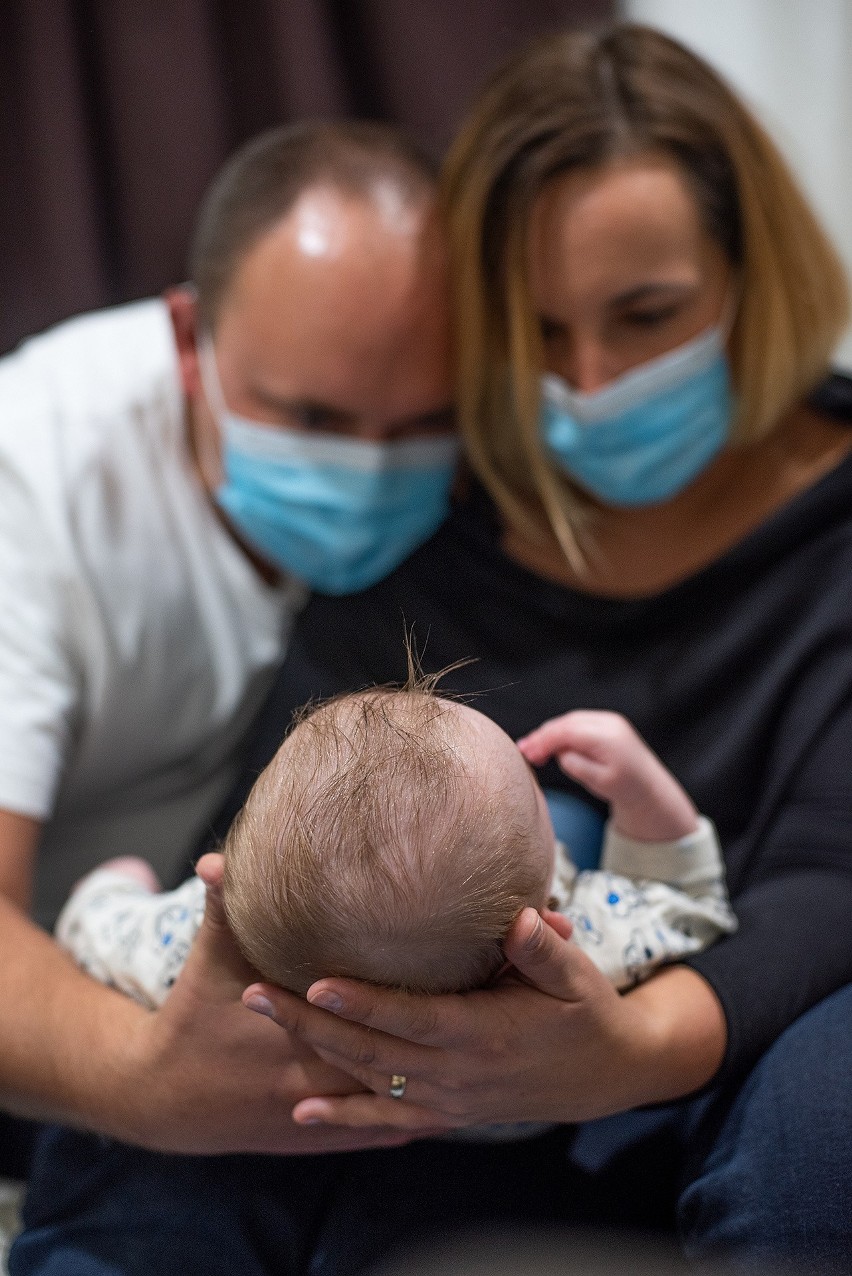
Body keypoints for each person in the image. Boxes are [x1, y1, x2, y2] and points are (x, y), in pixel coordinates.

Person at [11, 20, 852, 1276]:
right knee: (168, 1113)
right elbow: (284, 830)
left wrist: (632, 1048)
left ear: (754, 272)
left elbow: (812, 879)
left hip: (725, 1027)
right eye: (534, 331)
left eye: (646, 313)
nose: (588, 378)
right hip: (386, 1067)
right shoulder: (432, 504)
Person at [0, 118, 456, 1166]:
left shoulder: (485, 473)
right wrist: (150, 1086)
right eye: (312, 417)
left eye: (422, 421)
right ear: (186, 343)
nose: (372, 472)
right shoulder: (33, 483)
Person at [54, 685, 734, 1015]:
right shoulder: (580, 958)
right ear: (543, 919)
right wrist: (646, 798)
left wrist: (117, 882)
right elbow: (690, 909)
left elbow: (93, 933)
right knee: (575, 813)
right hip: (489, 1152)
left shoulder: (183, 954)